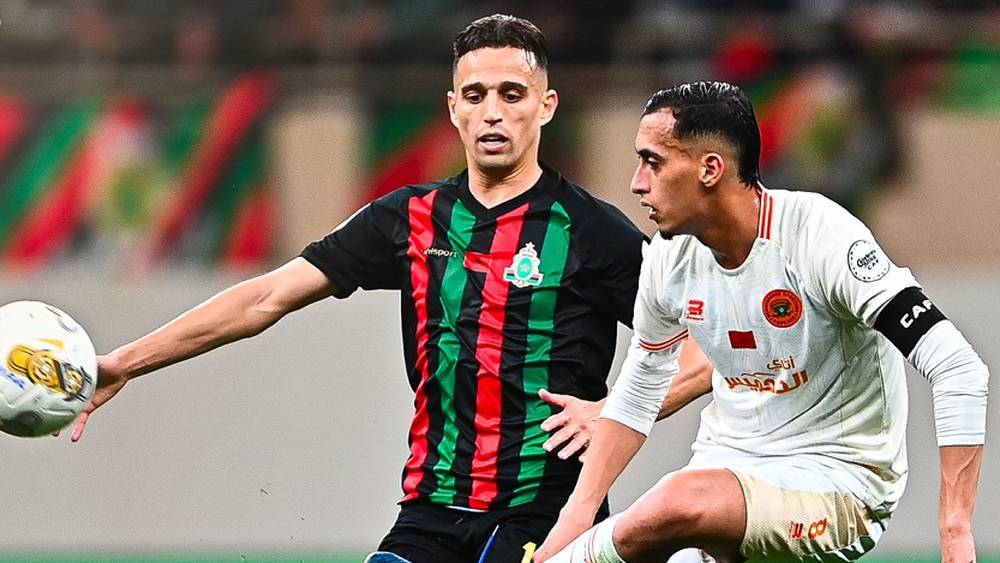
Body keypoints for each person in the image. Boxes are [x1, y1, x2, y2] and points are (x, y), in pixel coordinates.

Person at [67, 15, 712, 563]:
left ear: (545, 106)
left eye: (512, 94)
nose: (493, 111)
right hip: (430, 511)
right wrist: (125, 361)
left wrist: (614, 411)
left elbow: (703, 350)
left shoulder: (592, 230)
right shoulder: (408, 218)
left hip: (546, 513)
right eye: (476, 94)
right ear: (453, 108)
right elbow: (264, 298)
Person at [534, 81, 989, 563]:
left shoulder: (819, 236)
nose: (637, 182)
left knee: (673, 502)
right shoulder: (669, 257)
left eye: (653, 162)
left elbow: (959, 368)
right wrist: (575, 518)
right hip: (725, 480)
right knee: (678, 504)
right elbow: (640, 390)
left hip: (837, 490)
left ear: (710, 169)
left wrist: (955, 532)